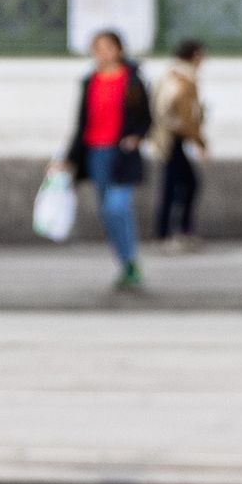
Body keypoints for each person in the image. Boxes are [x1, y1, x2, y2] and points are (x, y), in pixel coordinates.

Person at [60, 28, 148, 292]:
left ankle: (131, 259)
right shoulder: (90, 81)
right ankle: (125, 264)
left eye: (108, 47)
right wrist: (68, 158)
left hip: (122, 154)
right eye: (97, 49)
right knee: (107, 213)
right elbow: (82, 123)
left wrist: (136, 137)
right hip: (95, 153)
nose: (103, 53)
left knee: (117, 207)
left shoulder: (132, 80)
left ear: (118, 50)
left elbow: (146, 117)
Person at [151, 39, 210, 246]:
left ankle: (175, 231)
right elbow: (186, 115)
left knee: (181, 183)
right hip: (173, 137)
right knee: (179, 184)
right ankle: (168, 233)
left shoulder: (173, 75)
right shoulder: (183, 79)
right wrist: (200, 142)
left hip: (171, 136)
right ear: (195, 55)